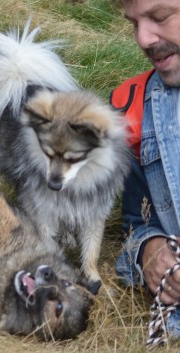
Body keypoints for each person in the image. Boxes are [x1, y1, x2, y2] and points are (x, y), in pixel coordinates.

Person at [110, 0, 180, 339]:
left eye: (161, 16)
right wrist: (150, 251)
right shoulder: (134, 109)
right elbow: (136, 223)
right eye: (133, 23)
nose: (143, 39)